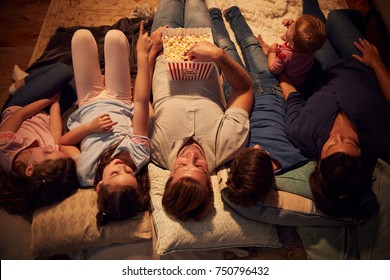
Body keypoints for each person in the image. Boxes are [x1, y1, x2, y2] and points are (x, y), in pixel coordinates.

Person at [279, 0, 390, 218]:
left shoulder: (301, 132)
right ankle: (359, 17)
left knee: (317, 29)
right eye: (350, 142)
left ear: (318, 165)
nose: (339, 137)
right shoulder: (381, 140)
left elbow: (291, 96)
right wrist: (377, 63)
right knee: (337, 19)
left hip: (323, 69)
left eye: (331, 145)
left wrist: (278, 70)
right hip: (361, 65)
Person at [148, 0, 254, 222]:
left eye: (182, 165)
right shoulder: (229, 144)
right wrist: (219, 56)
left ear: (169, 176)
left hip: (163, 53)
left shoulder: (153, 149)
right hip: (204, 50)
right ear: (210, 179)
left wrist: (151, 53)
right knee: (196, 4)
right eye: (199, 167)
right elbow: (244, 89)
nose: (191, 157)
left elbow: (139, 100)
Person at [204, 0, 308, 208]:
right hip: (271, 87)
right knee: (250, 42)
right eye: (262, 152)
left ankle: (214, 12)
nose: (257, 145)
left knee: (225, 48)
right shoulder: (297, 157)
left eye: (252, 150)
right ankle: (232, 10)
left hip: (238, 91)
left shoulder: (235, 163)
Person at [60, 21, 153, 227]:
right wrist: (143, 54)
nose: (122, 167)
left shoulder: (86, 172)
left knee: (81, 35)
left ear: (99, 185)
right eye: (129, 174)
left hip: (88, 102)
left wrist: (89, 127)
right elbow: (140, 102)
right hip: (119, 98)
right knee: (116, 37)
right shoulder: (139, 155)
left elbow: (63, 143)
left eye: (115, 173)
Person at [0, 63, 79, 215]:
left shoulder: (5, 147)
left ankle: (21, 83)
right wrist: (55, 104)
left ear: (30, 170)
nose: (50, 148)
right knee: (81, 82)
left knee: (64, 72)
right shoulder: (52, 161)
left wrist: (48, 100)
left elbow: (20, 114)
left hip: (22, 106)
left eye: (46, 153)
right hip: (46, 113)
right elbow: (55, 131)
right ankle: (38, 83)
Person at [256, 12, 327, 89]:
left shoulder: (286, 55)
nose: (290, 24)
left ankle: (264, 46)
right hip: (301, 79)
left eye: (291, 27)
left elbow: (273, 69)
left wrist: (272, 52)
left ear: (292, 42)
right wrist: (293, 25)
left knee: (268, 50)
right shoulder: (311, 47)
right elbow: (300, 35)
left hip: (288, 82)